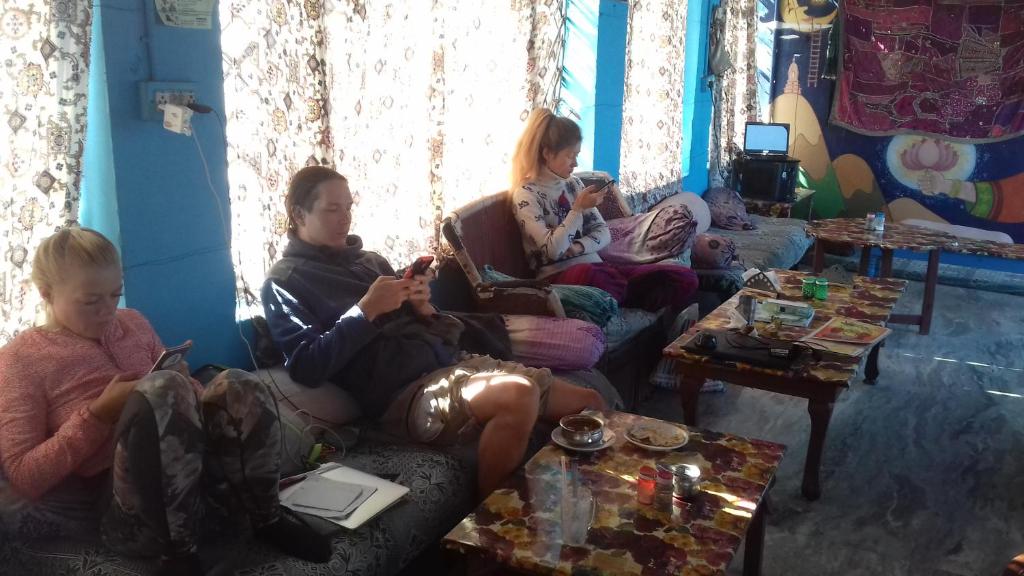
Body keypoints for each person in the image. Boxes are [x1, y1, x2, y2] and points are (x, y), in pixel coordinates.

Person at [0, 228, 331, 576]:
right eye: (91, 301)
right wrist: (98, 414)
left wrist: (191, 390)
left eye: (115, 295)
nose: (108, 311)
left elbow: (182, 394)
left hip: (199, 475)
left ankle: (266, 516)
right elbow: (24, 476)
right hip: (129, 507)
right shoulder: (20, 360)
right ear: (46, 293)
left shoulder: (133, 322)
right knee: (161, 390)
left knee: (236, 384)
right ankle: (178, 555)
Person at [261, 166, 606, 498]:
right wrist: (364, 312)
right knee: (519, 394)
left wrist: (423, 307)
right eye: (332, 209)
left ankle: (590, 503)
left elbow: (424, 323)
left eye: (349, 207)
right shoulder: (286, 281)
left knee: (590, 405)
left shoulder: (369, 261)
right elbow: (306, 365)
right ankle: (489, 529)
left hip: (449, 362)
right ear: (299, 214)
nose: (345, 218)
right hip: (404, 394)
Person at [509, 108, 699, 313]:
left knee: (683, 277)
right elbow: (553, 250)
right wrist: (577, 210)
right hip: (561, 278)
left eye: (577, 155)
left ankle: (620, 296)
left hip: (599, 268)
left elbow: (603, 233)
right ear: (547, 153)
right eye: (570, 156)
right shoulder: (526, 195)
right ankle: (624, 295)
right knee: (590, 275)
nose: (575, 163)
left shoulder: (573, 184)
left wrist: (578, 247)